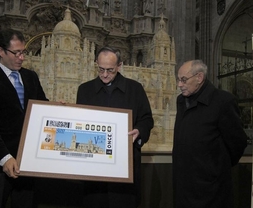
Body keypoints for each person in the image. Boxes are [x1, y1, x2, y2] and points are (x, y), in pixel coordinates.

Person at [0, 29, 48, 208]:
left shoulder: (31, 77)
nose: (21, 57)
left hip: (27, 161)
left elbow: (40, 107)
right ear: (1, 51)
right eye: (16, 53)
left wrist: (55, 108)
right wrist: (5, 158)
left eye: (23, 52)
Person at [76, 46, 154, 208]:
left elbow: (146, 119)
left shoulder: (135, 89)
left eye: (110, 70)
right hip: (93, 167)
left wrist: (139, 131)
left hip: (125, 165)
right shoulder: (84, 90)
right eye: (101, 69)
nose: (105, 74)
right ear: (96, 64)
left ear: (119, 66)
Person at [173, 60, 248, 208]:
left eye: (183, 80)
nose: (179, 85)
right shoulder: (181, 100)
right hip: (183, 187)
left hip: (211, 190)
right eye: (178, 79)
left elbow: (238, 143)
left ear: (199, 77)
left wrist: (215, 167)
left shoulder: (223, 101)